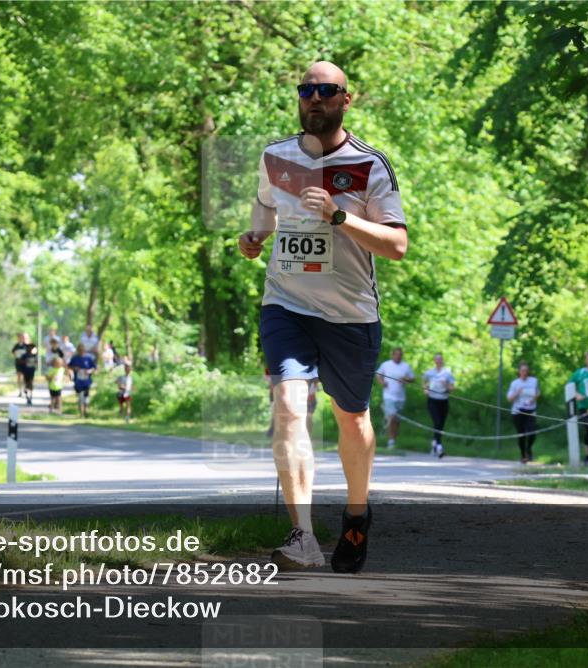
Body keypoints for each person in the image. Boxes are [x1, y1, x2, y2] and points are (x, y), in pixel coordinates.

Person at [237, 61, 407, 573]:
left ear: (345, 99)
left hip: (350, 313)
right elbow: (266, 208)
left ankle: (357, 513)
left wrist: (338, 215)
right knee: (290, 406)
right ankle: (303, 535)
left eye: (326, 91)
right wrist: (256, 236)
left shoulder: (370, 165)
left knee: (351, 417)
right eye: (307, 90)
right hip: (285, 304)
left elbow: (397, 245)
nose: (314, 98)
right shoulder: (275, 158)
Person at [375, 347, 414, 449]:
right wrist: (382, 383)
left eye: (400, 355)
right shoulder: (386, 364)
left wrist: (406, 379)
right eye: (396, 354)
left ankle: (392, 439)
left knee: (396, 420)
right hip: (388, 396)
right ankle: (390, 441)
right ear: (392, 355)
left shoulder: (405, 366)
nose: (398, 356)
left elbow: (412, 379)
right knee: (392, 416)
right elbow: (378, 374)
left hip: (400, 398)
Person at [506, 362, 540, 464]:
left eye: (526, 370)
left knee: (532, 433)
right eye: (522, 370)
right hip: (518, 411)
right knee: (521, 434)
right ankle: (523, 455)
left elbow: (538, 392)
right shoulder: (515, 383)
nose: (524, 372)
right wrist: (517, 393)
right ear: (519, 372)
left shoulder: (534, 381)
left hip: (531, 410)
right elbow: (509, 399)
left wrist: (534, 398)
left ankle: (529, 449)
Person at [423, 354, 455, 459]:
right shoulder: (429, 373)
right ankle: (440, 446)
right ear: (434, 361)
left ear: (443, 361)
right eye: (436, 359)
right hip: (432, 400)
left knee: (440, 424)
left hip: (444, 400)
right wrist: (426, 389)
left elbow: (452, 389)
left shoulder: (447, 373)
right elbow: (424, 383)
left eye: (440, 359)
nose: (438, 361)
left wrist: (445, 385)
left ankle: (434, 443)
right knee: (436, 422)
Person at [68, 343, 97, 418]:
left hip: (86, 380)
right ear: (78, 350)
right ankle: (81, 413)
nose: (81, 351)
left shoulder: (88, 358)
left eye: (82, 350)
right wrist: (75, 369)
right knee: (80, 397)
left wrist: (89, 371)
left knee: (86, 397)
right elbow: (69, 366)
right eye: (80, 350)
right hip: (78, 381)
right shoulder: (75, 358)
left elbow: (94, 368)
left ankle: (86, 411)